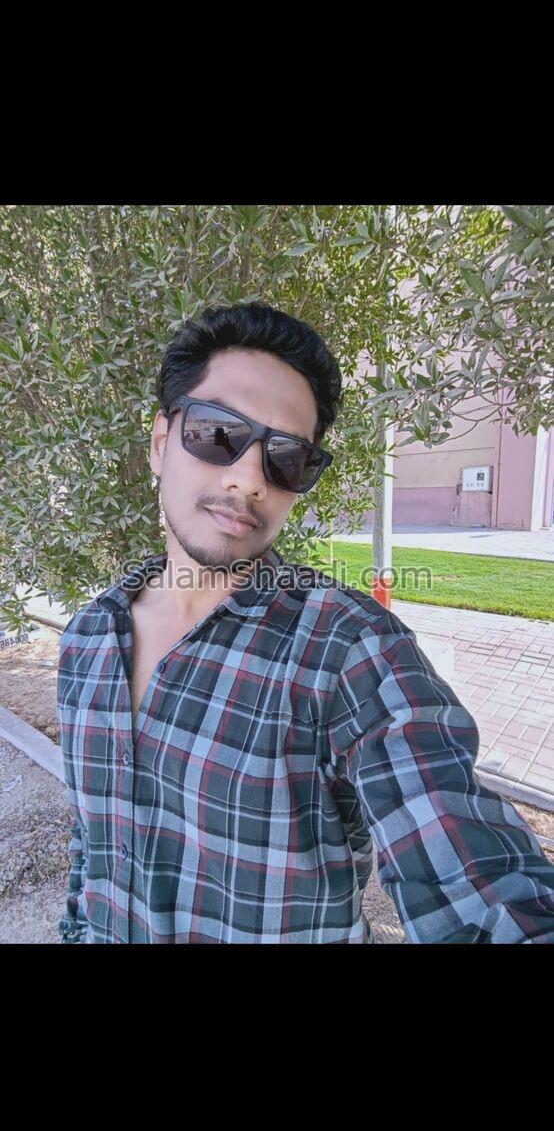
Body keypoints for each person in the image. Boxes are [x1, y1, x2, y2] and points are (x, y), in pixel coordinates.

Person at [57, 301, 554, 943]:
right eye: (217, 433)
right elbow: (92, 841)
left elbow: (471, 870)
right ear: (160, 443)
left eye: (286, 458)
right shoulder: (88, 638)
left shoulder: (349, 650)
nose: (249, 479)